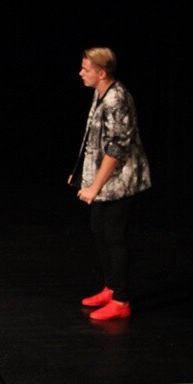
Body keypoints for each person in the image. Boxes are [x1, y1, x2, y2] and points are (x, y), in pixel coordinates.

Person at [69, 47, 152, 321]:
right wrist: (80, 173)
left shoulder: (117, 99)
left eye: (86, 69)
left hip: (122, 180)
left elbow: (116, 148)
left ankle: (121, 300)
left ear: (102, 73)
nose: (81, 73)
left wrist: (94, 187)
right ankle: (111, 286)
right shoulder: (100, 93)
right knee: (98, 228)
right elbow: (92, 135)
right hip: (105, 179)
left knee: (115, 236)